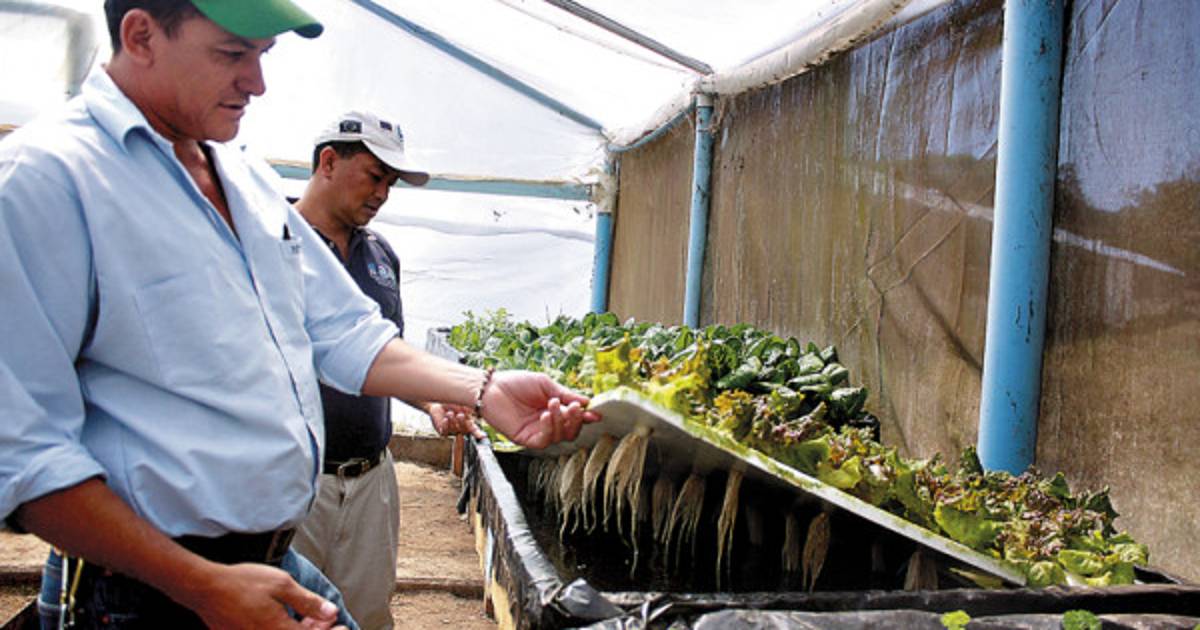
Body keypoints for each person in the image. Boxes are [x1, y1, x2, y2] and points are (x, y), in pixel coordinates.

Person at [0, 2, 598, 629]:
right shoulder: (48, 180)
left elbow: (344, 330)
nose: (257, 83)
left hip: (264, 562)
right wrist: (202, 586)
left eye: (263, 55)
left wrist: (483, 388)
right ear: (141, 35)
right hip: (144, 588)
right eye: (233, 54)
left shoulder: (241, 179)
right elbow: (22, 452)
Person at [290, 111, 484, 629]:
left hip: (371, 478)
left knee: (368, 613)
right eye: (375, 177)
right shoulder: (273, 242)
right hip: (295, 479)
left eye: (391, 184)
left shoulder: (379, 256)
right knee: (285, 613)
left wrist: (433, 400)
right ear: (328, 162)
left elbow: (382, 353)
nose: (382, 194)